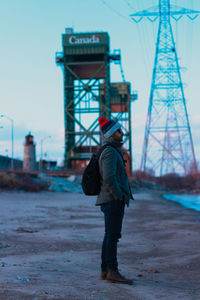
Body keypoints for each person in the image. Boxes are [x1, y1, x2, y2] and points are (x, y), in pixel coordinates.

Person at [96, 116, 134, 284]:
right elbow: (109, 177)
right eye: (118, 130)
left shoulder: (112, 150)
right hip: (112, 200)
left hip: (111, 199)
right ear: (111, 134)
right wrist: (118, 195)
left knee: (109, 235)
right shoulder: (110, 151)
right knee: (113, 236)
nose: (121, 132)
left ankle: (105, 271)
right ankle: (112, 271)